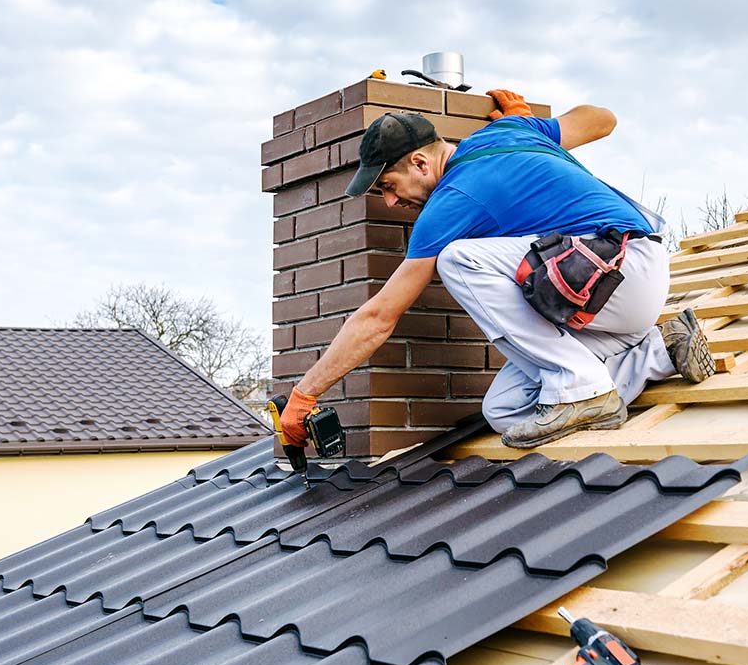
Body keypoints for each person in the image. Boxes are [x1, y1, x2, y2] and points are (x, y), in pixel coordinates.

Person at [279, 90, 715, 449]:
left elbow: (379, 317)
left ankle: (583, 387)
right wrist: (536, 129)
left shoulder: (451, 201)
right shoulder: (512, 129)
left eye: (389, 186)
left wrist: (306, 393)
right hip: (609, 298)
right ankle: (659, 350)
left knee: (459, 258)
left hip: (620, 267)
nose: (391, 203)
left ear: (419, 162)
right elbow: (603, 117)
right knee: (505, 410)